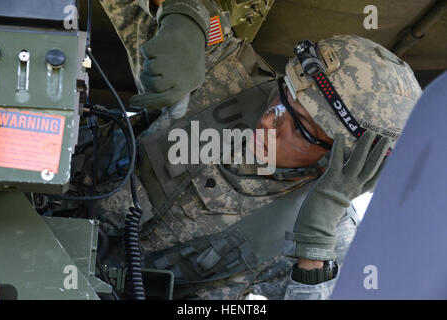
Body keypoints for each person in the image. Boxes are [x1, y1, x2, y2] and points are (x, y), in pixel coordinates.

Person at [84, 0, 422, 299]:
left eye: (301, 127)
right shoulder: (225, 75)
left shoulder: (329, 236)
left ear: (341, 162)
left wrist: (313, 251)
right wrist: (185, 13)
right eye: (283, 94)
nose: (269, 120)